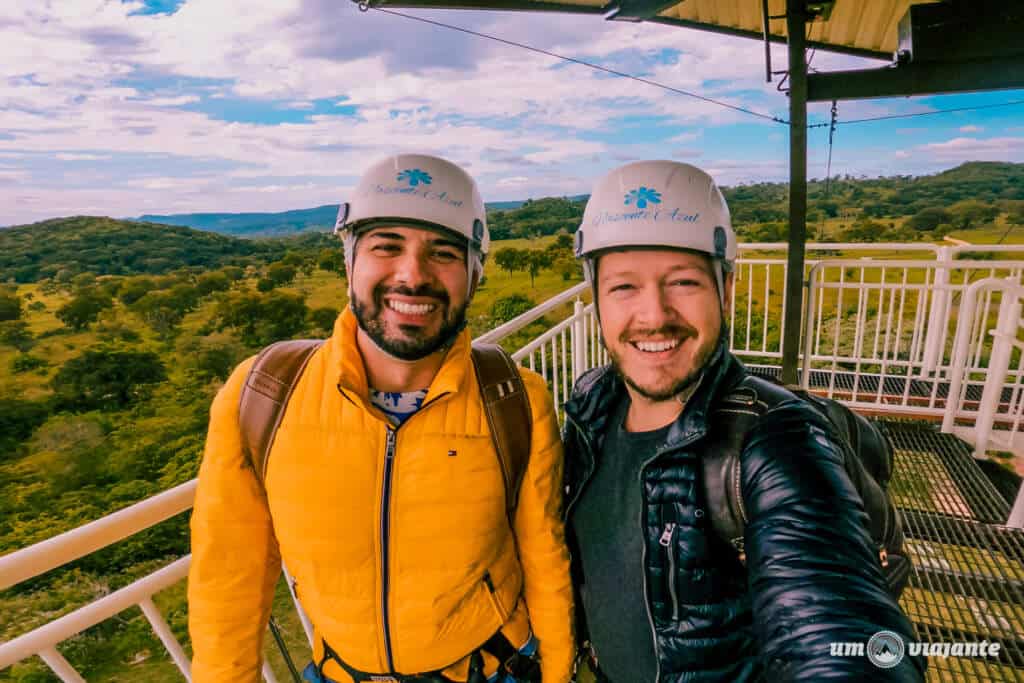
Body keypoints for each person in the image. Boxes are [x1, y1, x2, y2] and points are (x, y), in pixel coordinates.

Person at [188, 153, 575, 683]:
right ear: (349, 262)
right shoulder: (263, 394)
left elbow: (544, 557)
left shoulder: (513, 399)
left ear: (474, 275)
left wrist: (556, 673)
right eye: (386, 247)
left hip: (489, 668)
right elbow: (228, 573)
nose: (413, 275)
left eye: (443, 252)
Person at [561, 160, 925, 681]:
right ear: (595, 297)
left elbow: (832, 632)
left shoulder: (774, 441)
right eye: (623, 287)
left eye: (683, 282)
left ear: (725, 290)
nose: (654, 314)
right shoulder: (589, 406)